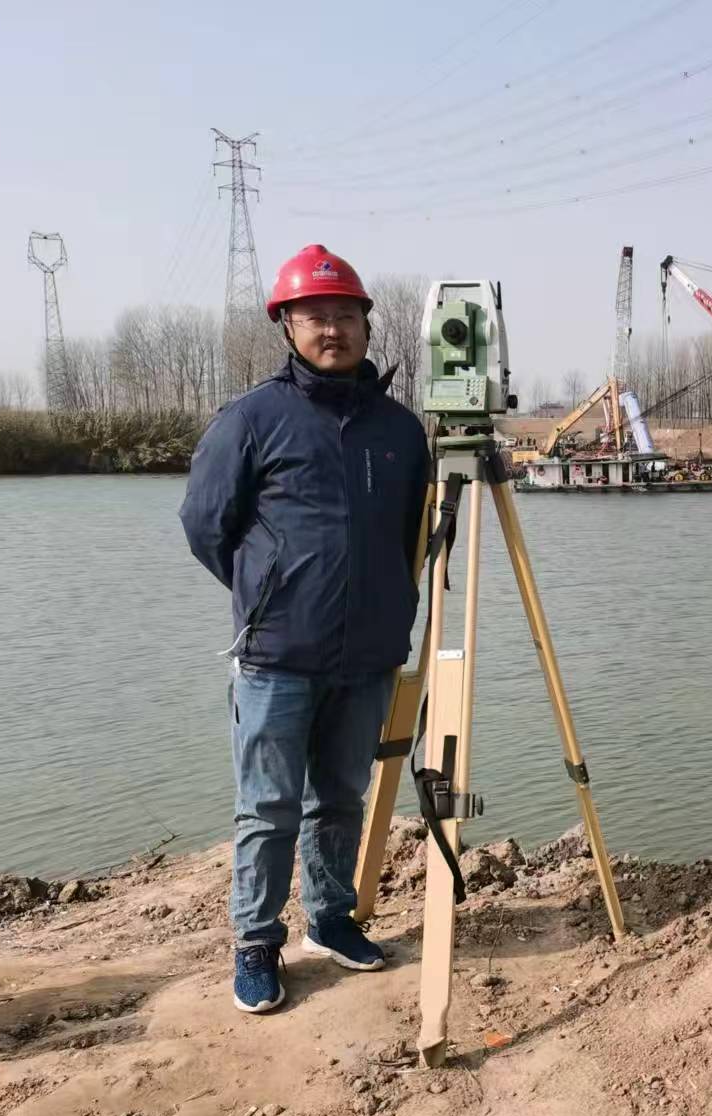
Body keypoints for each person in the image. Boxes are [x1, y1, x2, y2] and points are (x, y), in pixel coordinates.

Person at [179, 245, 431, 1015]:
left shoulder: (399, 430)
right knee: (267, 808)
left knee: (341, 798)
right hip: (277, 658)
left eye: (346, 315)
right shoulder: (252, 419)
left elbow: (415, 535)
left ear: (367, 326)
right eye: (315, 315)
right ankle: (257, 943)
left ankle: (330, 918)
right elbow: (204, 524)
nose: (333, 329)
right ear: (286, 325)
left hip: (369, 656)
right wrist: (269, 594)